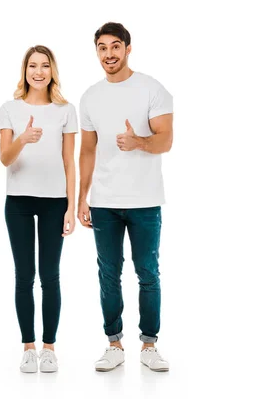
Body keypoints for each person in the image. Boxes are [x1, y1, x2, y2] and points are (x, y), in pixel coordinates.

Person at [78, 22, 173, 372]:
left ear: (128, 48)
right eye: (102, 48)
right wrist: (81, 198)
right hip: (104, 202)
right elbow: (86, 150)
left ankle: (149, 345)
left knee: (148, 272)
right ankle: (114, 344)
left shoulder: (152, 89)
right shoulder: (90, 96)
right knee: (108, 273)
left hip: (145, 200)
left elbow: (166, 140)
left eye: (115, 46)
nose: (109, 54)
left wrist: (139, 142)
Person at [0, 45, 77, 373]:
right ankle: (28, 347)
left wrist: (71, 206)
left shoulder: (66, 110)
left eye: (44, 66)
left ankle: (49, 347)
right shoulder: (9, 109)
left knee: (50, 276)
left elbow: (69, 161)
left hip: (55, 200)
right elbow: (4, 159)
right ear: (25, 71)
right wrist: (23, 138)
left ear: (52, 70)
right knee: (24, 275)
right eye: (32, 66)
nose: (38, 72)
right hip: (19, 200)